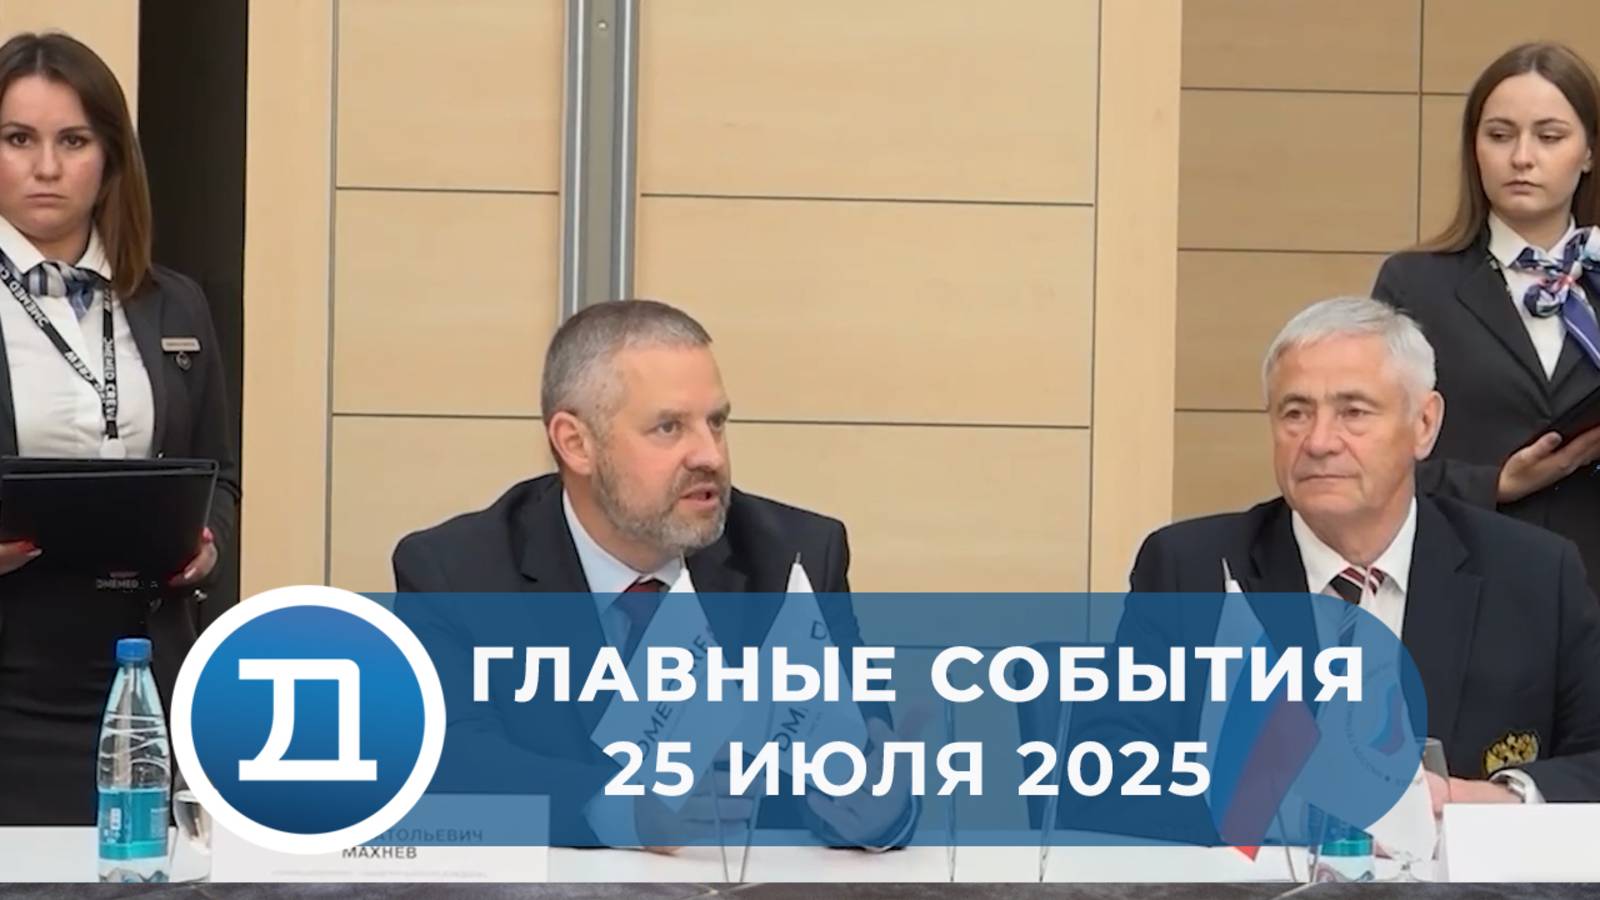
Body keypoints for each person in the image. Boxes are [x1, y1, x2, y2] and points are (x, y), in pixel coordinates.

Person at [393, 299, 912, 849]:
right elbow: (450, 764)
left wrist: (877, 812)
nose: (710, 456)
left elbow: (859, 760)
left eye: (716, 422)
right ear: (576, 443)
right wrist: (623, 811)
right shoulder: (457, 570)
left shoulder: (792, 557)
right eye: (669, 427)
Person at [1130, 298, 1600, 812]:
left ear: (1424, 424)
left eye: (1353, 412)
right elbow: (1117, 764)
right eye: (1295, 413)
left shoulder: (1533, 574)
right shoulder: (1188, 570)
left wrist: (1485, 799)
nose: (1319, 442)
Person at [0, 33, 239, 825]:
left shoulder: (173, 303)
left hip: (143, 676)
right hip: (13, 681)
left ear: (108, 158)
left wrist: (206, 542)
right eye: (18, 139)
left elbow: (219, 475)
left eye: (73, 141)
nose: (46, 167)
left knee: (137, 870)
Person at [1373, 42, 1600, 595]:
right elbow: (1370, 452)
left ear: (1589, 152)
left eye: (1549, 137)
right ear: (1474, 148)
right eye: (1500, 135)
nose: (1522, 157)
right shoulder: (1414, 284)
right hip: (1467, 583)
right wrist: (1493, 483)